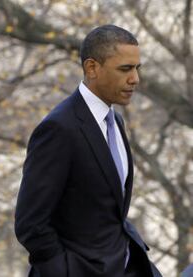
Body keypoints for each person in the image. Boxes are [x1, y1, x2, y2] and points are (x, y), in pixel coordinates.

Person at [14, 25, 162, 277]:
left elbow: (106, 209)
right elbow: (31, 224)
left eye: (137, 68)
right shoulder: (59, 128)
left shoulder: (115, 121)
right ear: (92, 68)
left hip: (125, 264)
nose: (135, 79)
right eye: (125, 69)